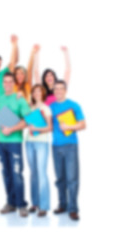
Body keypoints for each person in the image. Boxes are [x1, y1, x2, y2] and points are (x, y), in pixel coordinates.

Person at [0, 72, 30, 217]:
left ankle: (21, 205)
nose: (7, 84)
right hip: (1, 142)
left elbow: (27, 120)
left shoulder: (20, 99)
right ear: (3, 83)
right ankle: (10, 203)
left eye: (10, 81)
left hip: (15, 142)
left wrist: (12, 129)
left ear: (14, 83)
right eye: (5, 82)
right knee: (7, 174)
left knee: (16, 174)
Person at [50, 81, 86, 221]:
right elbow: (44, 122)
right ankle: (62, 205)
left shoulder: (74, 105)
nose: (58, 91)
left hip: (70, 146)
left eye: (61, 89)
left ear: (65, 90)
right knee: (60, 178)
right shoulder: (51, 107)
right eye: (56, 89)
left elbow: (83, 124)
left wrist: (70, 126)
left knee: (72, 178)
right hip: (56, 146)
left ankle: (73, 209)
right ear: (53, 92)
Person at [25, 84, 53, 217]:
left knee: (41, 173)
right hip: (29, 142)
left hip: (41, 142)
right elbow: (25, 123)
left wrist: (37, 129)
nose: (36, 93)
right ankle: (35, 203)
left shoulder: (46, 108)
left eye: (39, 91)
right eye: (34, 91)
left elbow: (49, 127)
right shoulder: (30, 107)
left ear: (42, 94)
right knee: (33, 173)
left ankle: (44, 206)